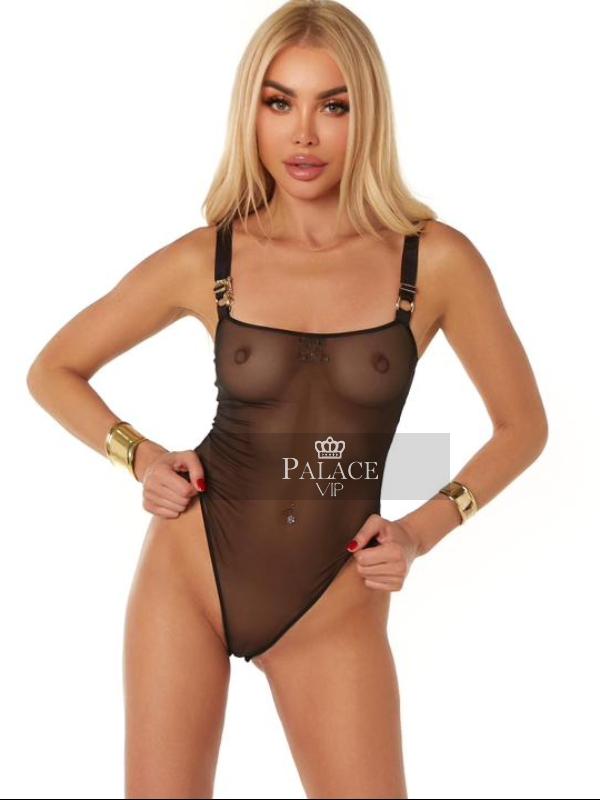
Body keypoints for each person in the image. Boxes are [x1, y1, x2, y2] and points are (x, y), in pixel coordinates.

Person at [26, 1, 548, 797]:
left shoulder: (435, 262)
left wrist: (419, 532)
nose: (304, 135)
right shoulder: (211, 258)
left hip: (334, 597)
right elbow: (54, 368)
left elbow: (523, 426)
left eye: (333, 106)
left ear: (368, 116)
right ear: (253, 113)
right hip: (192, 570)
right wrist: (142, 457)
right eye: (280, 103)